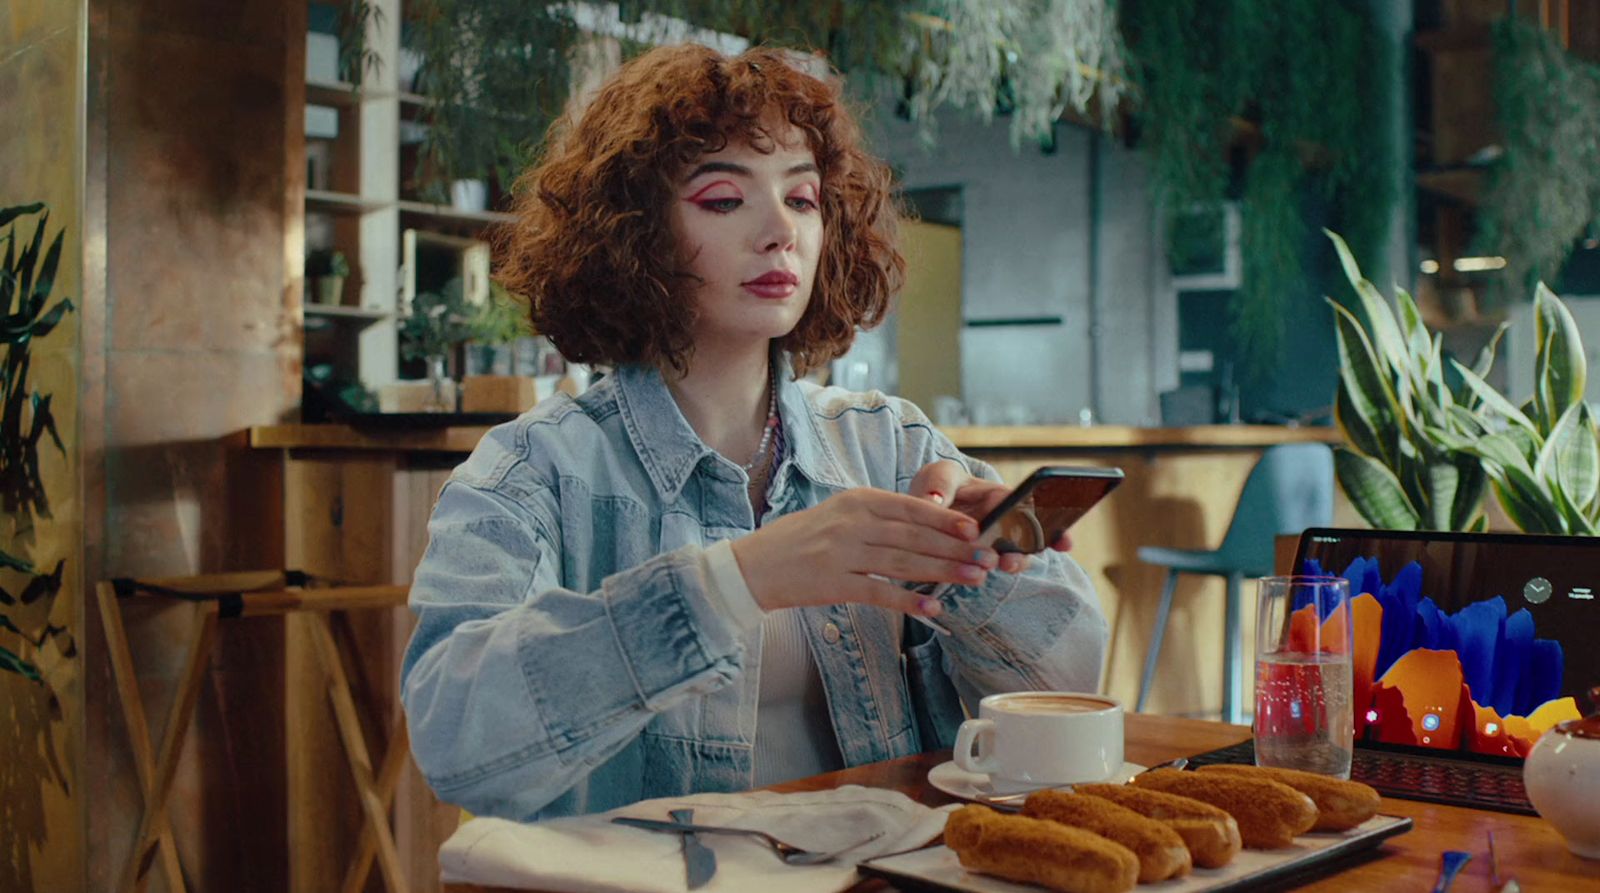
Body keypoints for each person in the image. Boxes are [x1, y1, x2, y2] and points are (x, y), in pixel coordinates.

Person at [400, 42, 1108, 822]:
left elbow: (1072, 684)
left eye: (802, 199)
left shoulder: (888, 443)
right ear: (636, 235)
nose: (780, 232)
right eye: (723, 200)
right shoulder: (534, 470)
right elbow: (454, 739)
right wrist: (733, 581)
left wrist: (983, 570)